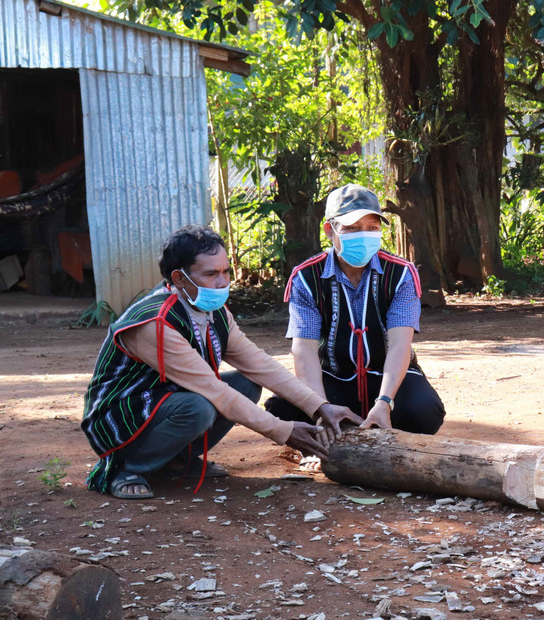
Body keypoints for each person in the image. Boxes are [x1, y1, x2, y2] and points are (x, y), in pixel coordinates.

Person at [82, 225, 359, 499]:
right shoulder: (156, 321)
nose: (223, 281)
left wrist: (320, 406)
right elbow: (214, 390)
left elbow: (259, 364)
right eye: (211, 273)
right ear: (179, 278)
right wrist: (284, 431)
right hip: (121, 415)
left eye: (226, 271)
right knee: (200, 407)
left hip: (163, 401)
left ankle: (177, 461)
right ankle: (127, 468)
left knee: (246, 384)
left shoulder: (213, 312)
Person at [265, 184, 444, 464]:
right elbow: (304, 351)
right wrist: (319, 409)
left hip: (387, 380)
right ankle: (331, 432)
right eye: (351, 228)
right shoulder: (305, 278)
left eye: (372, 228)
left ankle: (375, 430)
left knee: (423, 411)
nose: (364, 235)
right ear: (330, 231)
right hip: (332, 380)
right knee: (281, 408)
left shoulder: (401, 274)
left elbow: (399, 344)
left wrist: (384, 402)